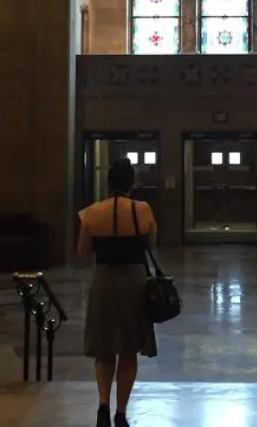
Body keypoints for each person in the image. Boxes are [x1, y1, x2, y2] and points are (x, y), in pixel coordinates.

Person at [77, 158, 158, 427]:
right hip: (134, 281)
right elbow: (151, 243)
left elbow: (82, 253)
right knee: (128, 348)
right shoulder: (143, 210)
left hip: (104, 280)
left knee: (104, 347)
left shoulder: (91, 213)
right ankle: (121, 412)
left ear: (108, 182)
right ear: (131, 183)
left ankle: (103, 404)